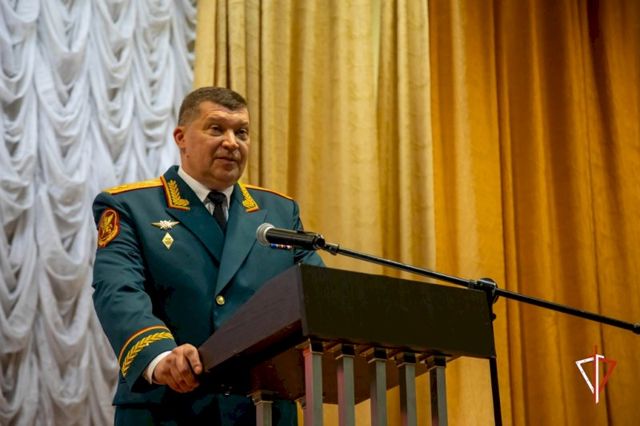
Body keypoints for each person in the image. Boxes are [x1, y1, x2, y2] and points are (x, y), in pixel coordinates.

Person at [92, 86, 324, 425]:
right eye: (216, 129)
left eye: (241, 132)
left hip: (262, 410)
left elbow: (316, 294)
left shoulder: (279, 212)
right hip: (169, 407)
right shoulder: (131, 207)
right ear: (181, 138)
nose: (232, 142)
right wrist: (161, 357)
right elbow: (119, 292)